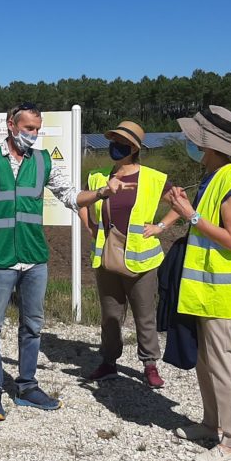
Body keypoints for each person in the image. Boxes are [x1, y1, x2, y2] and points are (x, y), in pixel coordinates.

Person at [0, 102, 133, 421]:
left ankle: (27, 387)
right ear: (10, 125)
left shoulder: (43, 161)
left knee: (32, 326)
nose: (33, 135)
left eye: (37, 129)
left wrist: (100, 193)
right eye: (28, 128)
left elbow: (71, 196)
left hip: (34, 257)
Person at [166, 105, 231, 461]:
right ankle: (211, 423)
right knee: (206, 362)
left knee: (223, 364)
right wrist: (188, 208)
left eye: (196, 140)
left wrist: (190, 215)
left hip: (220, 292)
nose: (191, 144)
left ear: (210, 145)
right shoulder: (212, 176)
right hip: (203, 289)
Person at [78, 120, 173, 388]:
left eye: (121, 143)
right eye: (113, 141)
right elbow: (81, 200)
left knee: (144, 314)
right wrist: (89, 225)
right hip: (107, 257)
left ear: (134, 148)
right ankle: (109, 362)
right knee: (110, 315)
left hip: (142, 259)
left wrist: (161, 226)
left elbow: (180, 203)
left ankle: (150, 364)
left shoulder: (153, 178)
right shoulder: (98, 176)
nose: (115, 147)